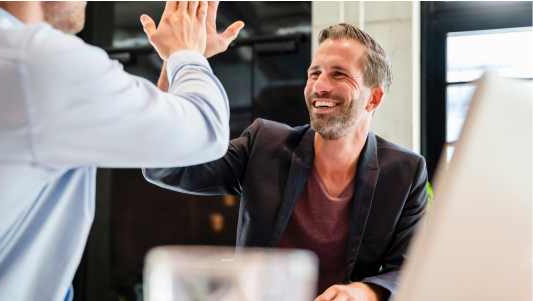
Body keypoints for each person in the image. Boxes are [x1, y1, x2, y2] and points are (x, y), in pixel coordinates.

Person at [0, 1, 243, 300]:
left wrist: (177, 60)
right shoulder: (32, 61)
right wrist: (188, 54)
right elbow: (206, 130)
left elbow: (164, 145)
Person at [144, 23, 429, 301]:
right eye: (314, 73)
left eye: (339, 74)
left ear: (374, 98)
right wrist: (179, 60)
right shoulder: (264, 144)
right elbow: (167, 166)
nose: (319, 86)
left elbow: (408, 269)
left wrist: (365, 291)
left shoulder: (404, 173)